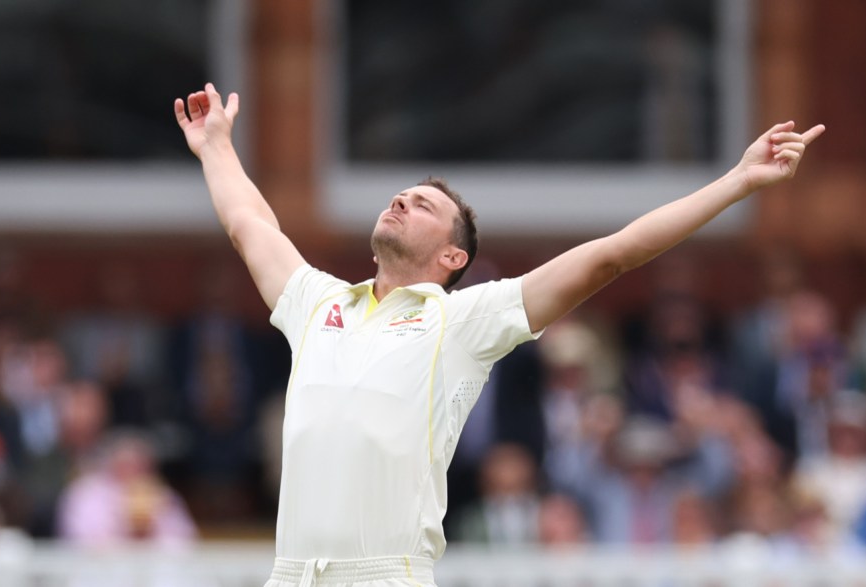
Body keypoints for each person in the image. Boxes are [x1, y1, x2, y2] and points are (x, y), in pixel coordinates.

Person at [174, 82, 824, 587]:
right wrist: (217, 147)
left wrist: (737, 182)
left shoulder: (461, 321)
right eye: (398, 195)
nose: (400, 201)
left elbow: (613, 254)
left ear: (452, 258)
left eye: (422, 204)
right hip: (289, 574)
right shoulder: (318, 302)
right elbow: (249, 224)